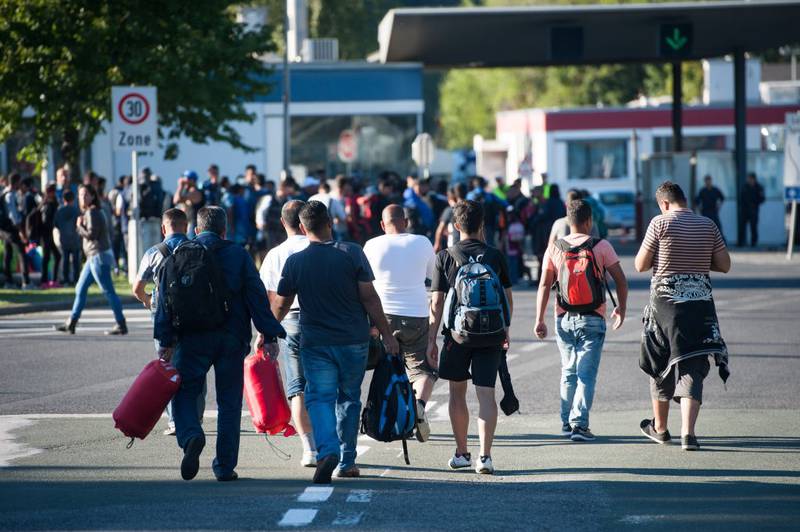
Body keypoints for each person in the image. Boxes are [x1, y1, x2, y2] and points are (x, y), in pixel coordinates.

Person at [271, 201, 399, 484]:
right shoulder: (352, 253)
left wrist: (265, 333)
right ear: (330, 222)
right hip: (354, 340)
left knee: (319, 397)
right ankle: (347, 460)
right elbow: (369, 297)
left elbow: (281, 304)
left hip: (315, 342)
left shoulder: (295, 262)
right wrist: (387, 335)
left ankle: (326, 450)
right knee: (349, 397)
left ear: (303, 229)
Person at [154, 206, 285, 481]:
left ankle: (190, 435)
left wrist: (165, 341)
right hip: (231, 338)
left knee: (185, 392)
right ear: (225, 230)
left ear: (197, 230)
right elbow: (256, 297)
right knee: (228, 402)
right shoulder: (238, 254)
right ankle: (224, 466)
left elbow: (166, 300)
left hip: (190, 338)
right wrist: (269, 335)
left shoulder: (180, 254)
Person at [634, 181, 731, 451]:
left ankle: (661, 429)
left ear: (664, 203)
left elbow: (640, 265)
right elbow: (724, 265)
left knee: (660, 364)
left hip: (665, 306)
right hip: (700, 306)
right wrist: (698, 262)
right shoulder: (708, 225)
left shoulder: (660, 223)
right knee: (692, 365)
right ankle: (688, 434)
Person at [427, 199, 514, 475]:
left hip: (457, 336)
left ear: (456, 225)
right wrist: (505, 331)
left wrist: (431, 341)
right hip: (491, 335)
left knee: (457, 393)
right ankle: (485, 457)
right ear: (482, 224)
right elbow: (507, 298)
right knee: (486, 394)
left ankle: (462, 452)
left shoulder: (445, 256)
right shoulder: (495, 256)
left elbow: (437, 303)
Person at [534, 199, 628, 441]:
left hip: (563, 317)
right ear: (589, 221)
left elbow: (545, 284)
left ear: (568, 220)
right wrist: (621, 309)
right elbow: (620, 279)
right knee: (586, 374)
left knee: (568, 371)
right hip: (593, 318)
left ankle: (566, 423)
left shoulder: (555, 247)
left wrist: (539, 319)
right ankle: (579, 425)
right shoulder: (601, 246)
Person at [363, 205, 437, 442]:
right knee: (423, 370)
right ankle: (419, 406)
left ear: (383, 225)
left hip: (382, 316)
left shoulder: (372, 245)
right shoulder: (422, 242)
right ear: (405, 221)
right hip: (415, 313)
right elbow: (433, 276)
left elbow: (364, 283)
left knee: (383, 367)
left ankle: (384, 413)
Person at [131, 208, 205, 436]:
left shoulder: (154, 252)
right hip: (193, 315)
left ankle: (174, 421)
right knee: (195, 366)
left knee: (167, 366)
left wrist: (147, 301)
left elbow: (137, 287)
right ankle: (196, 417)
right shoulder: (198, 249)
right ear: (187, 226)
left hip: (163, 316)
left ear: (164, 228)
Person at [258, 200, 317, 468]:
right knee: (328, 383)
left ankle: (310, 449)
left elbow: (269, 298)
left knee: (298, 388)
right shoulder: (318, 246)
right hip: (323, 320)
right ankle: (334, 443)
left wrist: (267, 333)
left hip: (289, 320)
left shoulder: (275, 254)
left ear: (283, 223)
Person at [55, 185, 127, 336]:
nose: (82, 197)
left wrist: (79, 226)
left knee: (108, 292)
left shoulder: (92, 212)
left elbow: (92, 235)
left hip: (98, 256)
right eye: (81, 195)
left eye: (86, 194)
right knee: (80, 288)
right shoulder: (92, 212)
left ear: (93, 196)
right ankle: (72, 323)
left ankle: (121, 324)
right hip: (93, 257)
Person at [54, 190, 81, 286]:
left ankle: (65, 279)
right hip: (74, 238)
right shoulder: (76, 210)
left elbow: (56, 224)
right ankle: (76, 279)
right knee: (75, 261)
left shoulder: (59, 211)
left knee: (65, 260)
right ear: (73, 199)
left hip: (64, 238)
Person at [39, 184, 62, 288]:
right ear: (50, 192)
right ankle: (45, 281)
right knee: (47, 257)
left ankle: (51, 280)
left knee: (53, 256)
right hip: (46, 234)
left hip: (48, 234)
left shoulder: (47, 203)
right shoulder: (48, 204)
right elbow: (46, 221)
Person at [173, 170, 204, 236]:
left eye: (185, 178)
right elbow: (175, 200)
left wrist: (180, 186)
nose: (183, 180)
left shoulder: (194, 191)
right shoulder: (188, 191)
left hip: (194, 223)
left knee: (192, 244)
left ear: (191, 180)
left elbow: (177, 200)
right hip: (189, 223)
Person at [741, 172, 765, 247]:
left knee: (753, 227)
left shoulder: (759, 187)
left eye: (750, 178)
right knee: (742, 226)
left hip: (754, 210)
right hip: (745, 210)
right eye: (748, 179)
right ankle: (742, 242)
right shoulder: (745, 186)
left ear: (754, 179)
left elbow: (762, 198)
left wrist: (755, 203)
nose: (749, 180)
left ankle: (753, 243)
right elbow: (741, 197)